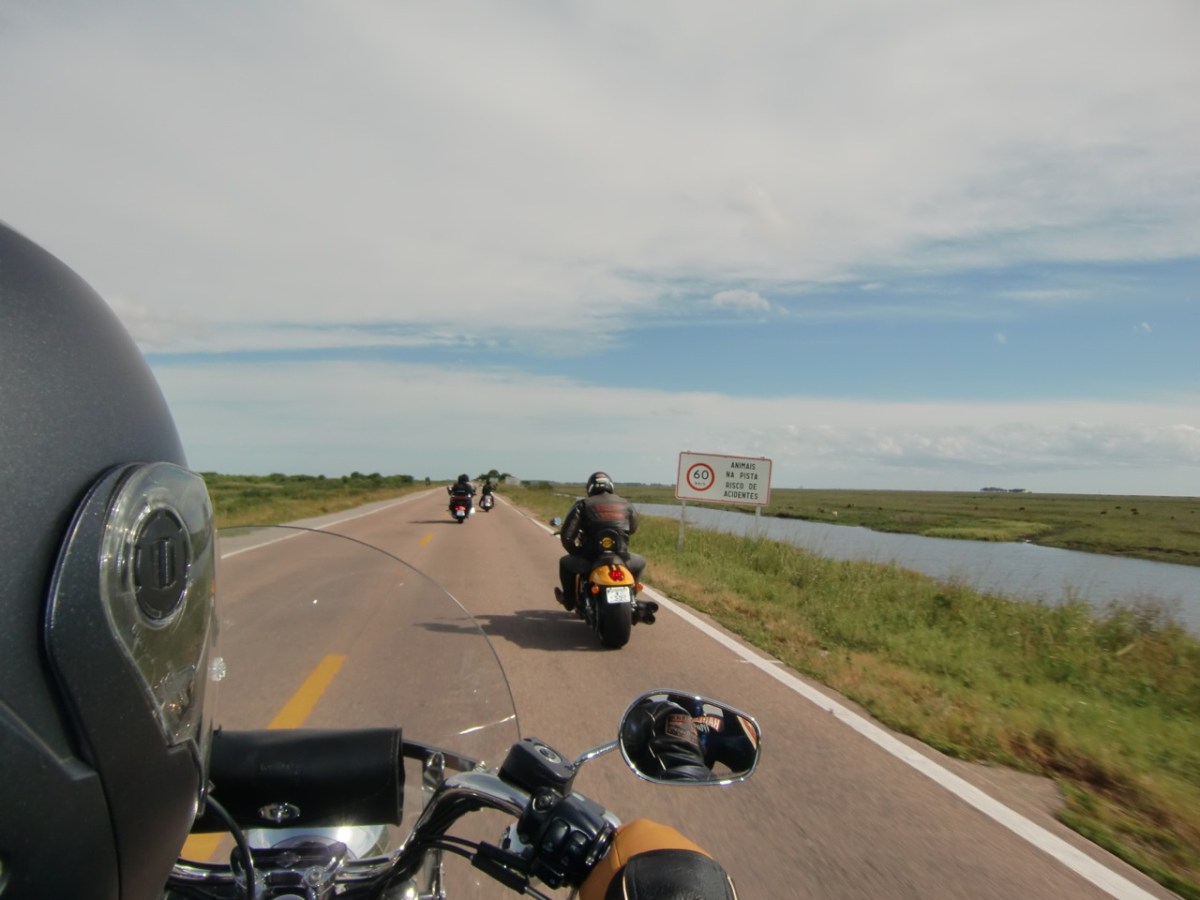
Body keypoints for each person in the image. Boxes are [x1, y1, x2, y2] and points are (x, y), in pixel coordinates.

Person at [0, 222, 736, 899]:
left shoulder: (577, 505)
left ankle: (600, 599)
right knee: (609, 575)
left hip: (595, 577)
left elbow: (573, 539)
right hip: (617, 582)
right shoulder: (619, 509)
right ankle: (618, 602)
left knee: (576, 573)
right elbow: (617, 542)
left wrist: (581, 558)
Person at [556, 471, 646, 611]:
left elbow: (567, 537)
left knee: (565, 563)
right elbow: (633, 528)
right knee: (640, 562)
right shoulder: (626, 504)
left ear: (590, 488)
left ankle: (569, 601)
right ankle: (632, 595)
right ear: (610, 486)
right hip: (621, 557)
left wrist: (577, 552)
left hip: (590, 558)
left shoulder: (583, 504)